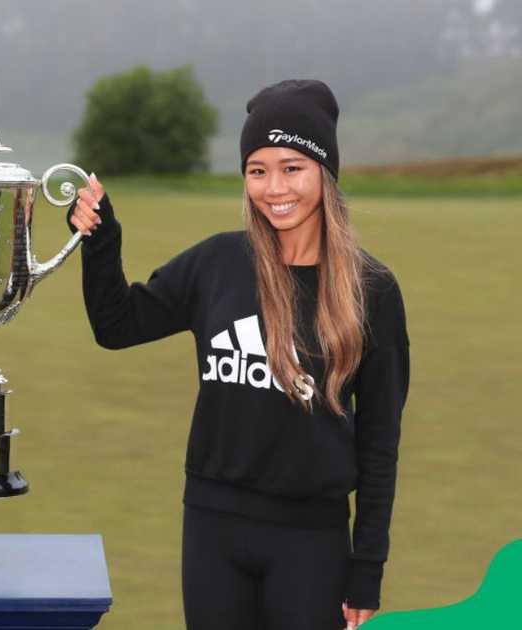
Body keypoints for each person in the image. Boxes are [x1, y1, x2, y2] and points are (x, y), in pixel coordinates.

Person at [68, 80, 409, 630]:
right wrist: (101, 239)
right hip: (213, 529)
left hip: (311, 543)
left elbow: (378, 443)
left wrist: (367, 567)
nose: (274, 187)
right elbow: (117, 326)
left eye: (292, 167)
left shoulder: (372, 290)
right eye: (257, 170)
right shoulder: (219, 263)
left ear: (325, 170)